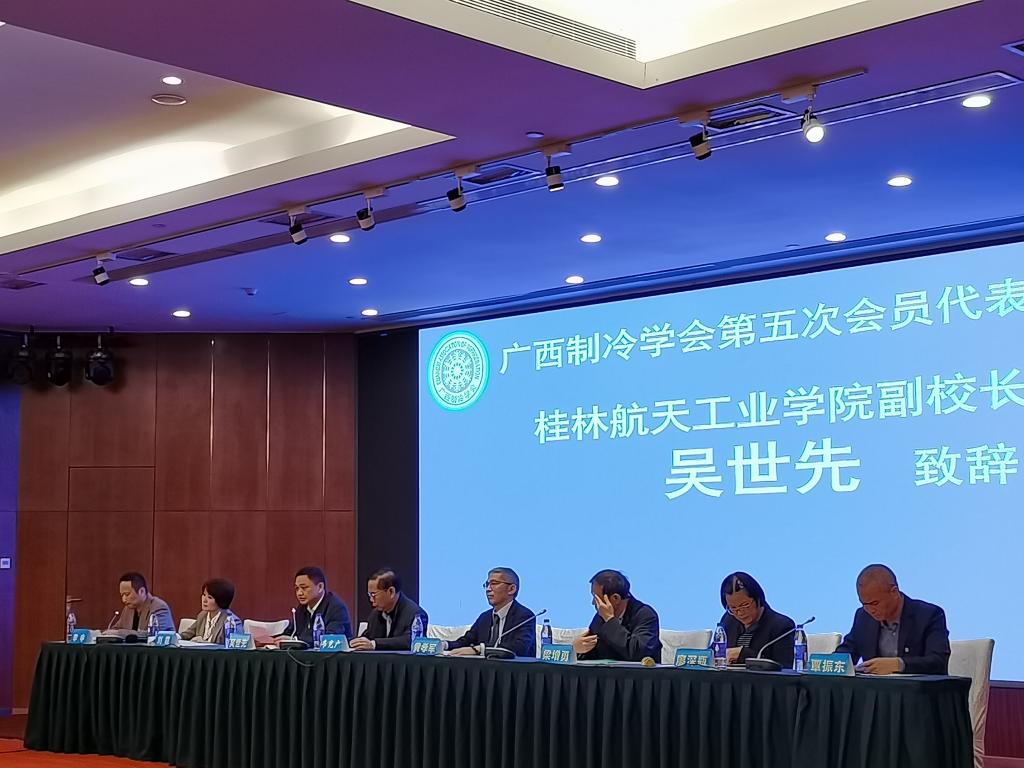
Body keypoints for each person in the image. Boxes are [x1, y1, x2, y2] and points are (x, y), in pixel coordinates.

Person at [836, 564, 950, 675]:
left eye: (875, 603)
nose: (870, 610)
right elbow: (847, 652)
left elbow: (938, 662)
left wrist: (898, 664)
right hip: (875, 687)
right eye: (864, 604)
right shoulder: (863, 616)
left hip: (915, 687)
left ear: (894, 592)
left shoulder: (928, 615)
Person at [573, 570, 661, 662]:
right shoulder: (600, 618)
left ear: (616, 598)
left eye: (596, 598)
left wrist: (610, 620)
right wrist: (575, 650)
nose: (593, 603)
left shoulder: (645, 615)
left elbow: (636, 654)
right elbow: (589, 653)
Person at [445, 567, 536, 657]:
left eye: (494, 583)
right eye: (487, 584)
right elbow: (466, 641)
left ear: (511, 589)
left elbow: (520, 648)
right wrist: (445, 645)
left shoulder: (525, 616)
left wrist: (480, 649)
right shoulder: (485, 617)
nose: (488, 589)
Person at [718, 572, 795, 668]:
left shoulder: (782, 626)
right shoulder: (729, 620)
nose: (740, 613)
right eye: (733, 608)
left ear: (758, 598)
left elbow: (783, 668)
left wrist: (742, 654)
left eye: (745, 605)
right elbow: (715, 652)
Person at [350, 568, 428, 651]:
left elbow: (411, 641)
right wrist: (357, 642)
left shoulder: (415, 614)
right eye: (369, 595)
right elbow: (368, 636)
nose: (371, 600)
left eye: (374, 595)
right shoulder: (375, 614)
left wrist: (375, 644)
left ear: (391, 592)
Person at [280, 566, 353, 645]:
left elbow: (330, 639)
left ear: (320, 587)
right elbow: (290, 632)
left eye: (304, 588)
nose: (299, 593)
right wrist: (275, 639)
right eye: (297, 588)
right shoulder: (301, 608)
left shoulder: (336, 607)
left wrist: (295, 639)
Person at [179, 578, 240, 644]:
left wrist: (205, 643)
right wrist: (176, 636)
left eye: (209, 597)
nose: (204, 600)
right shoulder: (202, 615)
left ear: (220, 600)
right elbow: (188, 634)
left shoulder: (231, 621)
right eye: (204, 595)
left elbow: (234, 647)